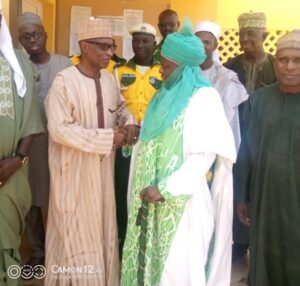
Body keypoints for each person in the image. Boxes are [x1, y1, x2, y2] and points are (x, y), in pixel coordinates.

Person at [121, 18, 236, 286]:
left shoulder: (203, 98)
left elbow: (204, 155)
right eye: (161, 64)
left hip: (181, 204)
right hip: (148, 200)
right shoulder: (162, 95)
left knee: (176, 268)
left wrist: (165, 188)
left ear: (183, 68)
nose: (161, 71)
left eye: (167, 66)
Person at [44, 18, 138, 286]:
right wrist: (110, 138)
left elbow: (120, 108)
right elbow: (61, 130)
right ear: (84, 46)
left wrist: (128, 122)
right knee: (72, 235)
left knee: (102, 231)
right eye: (103, 47)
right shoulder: (63, 83)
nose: (110, 53)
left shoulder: (109, 81)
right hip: (73, 173)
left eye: (112, 46)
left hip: (102, 173)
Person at [235, 29, 300, 286]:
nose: (290, 67)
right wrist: (242, 196)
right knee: (265, 257)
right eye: (283, 60)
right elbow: (246, 152)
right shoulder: (260, 100)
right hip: (265, 197)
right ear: (275, 62)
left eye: (297, 60)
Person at [18, 12, 72, 268]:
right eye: (26, 36)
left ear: (45, 34)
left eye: (36, 34)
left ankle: (59, 247)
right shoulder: (16, 67)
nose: (32, 40)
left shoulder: (65, 64)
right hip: (30, 143)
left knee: (59, 197)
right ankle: (37, 249)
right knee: (33, 198)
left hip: (62, 143)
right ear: (20, 40)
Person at [224, 11, 277, 261]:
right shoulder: (230, 68)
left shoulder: (277, 66)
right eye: (242, 34)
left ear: (264, 36)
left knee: (264, 190)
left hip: (269, 144)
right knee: (237, 189)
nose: (245, 39)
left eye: (251, 34)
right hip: (237, 142)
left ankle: (262, 247)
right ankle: (238, 245)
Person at [0, 13, 44, 285]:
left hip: (12, 171)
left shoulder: (20, 61)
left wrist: (17, 159)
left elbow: (31, 118)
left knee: (6, 240)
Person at [114, 22, 162, 256]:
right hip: (126, 144)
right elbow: (116, 105)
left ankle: (145, 243)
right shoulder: (119, 71)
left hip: (153, 144)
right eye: (136, 40)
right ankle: (124, 241)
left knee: (147, 189)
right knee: (123, 190)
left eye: (145, 40)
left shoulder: (163, 72)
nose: (140, 45)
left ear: (155, 44)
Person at [194, 20, 248, 151]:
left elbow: (230, 119)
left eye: (206, 42)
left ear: (215, 45)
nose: (201, 46)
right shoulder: (185, 74)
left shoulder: (227, 78)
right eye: (197, 42)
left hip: (215, 143)